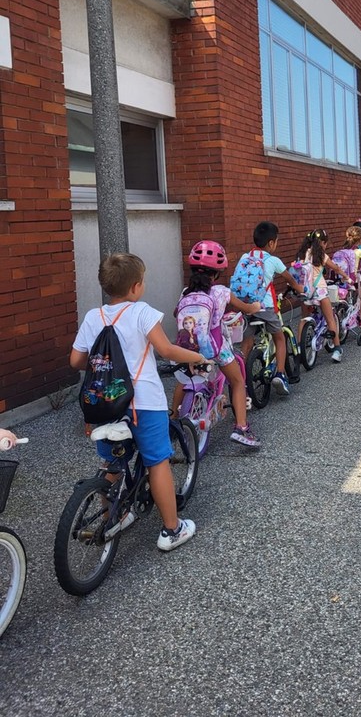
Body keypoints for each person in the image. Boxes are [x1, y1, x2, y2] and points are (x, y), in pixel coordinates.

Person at [70, 253, 207, 552]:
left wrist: (107, 368)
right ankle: (172, 530)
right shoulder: (142, 312)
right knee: (158, 462)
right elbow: (167, 350)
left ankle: (114, 515)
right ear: (135, 287)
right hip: (143, 402)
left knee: (114, 462)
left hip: (105, 404)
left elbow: (77, 360)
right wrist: (197, 357)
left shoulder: (93, 317)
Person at [172, 240, 262, 448]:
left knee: (184, 379)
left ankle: (174, 417)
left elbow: (177, 314)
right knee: (238, 381)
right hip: (215, 348)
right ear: (218, 271)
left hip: (188, 348)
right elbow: (246, 308)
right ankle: (241, 428)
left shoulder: (186, 292)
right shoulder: (222, 292)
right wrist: (255, 306)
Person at [235, 221, 304, 396]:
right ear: (272, 243)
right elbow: (290, 279)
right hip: (266, 307)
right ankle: (280, 374)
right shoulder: (273, 260)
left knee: (247, 342)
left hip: (246, 307)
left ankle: (239, 378)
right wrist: (300, 289)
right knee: (280, 338)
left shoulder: (245, 257)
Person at [294, 229, 351, 363]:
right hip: (319, 290)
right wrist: (346, 277)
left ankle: (299, 346)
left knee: (304, 318)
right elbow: (336, 268)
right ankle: (337, 349)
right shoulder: (321, 256)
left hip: (305, 291)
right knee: (330, 318)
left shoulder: (301, 254)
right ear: (323, 243)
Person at [333, 226, 361, 328]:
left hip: (343, 279)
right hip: (355, 279)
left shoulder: (342, 250)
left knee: (347, 298)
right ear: (360, 239)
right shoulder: (358, 251)